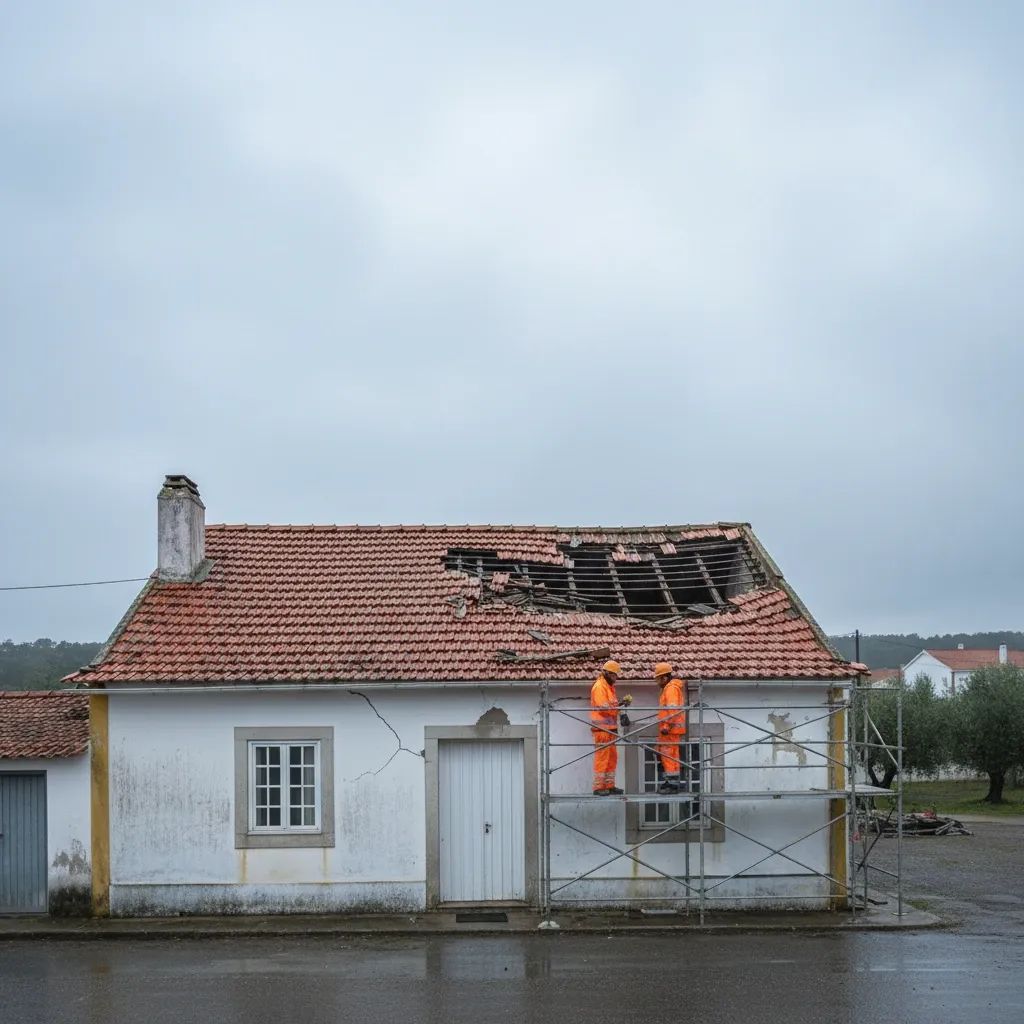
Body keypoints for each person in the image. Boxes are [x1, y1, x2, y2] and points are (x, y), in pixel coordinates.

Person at [590, 660, 629, 795]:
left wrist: (621, 704)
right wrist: (617, 707)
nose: (615, 678)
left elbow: (611, 706)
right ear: (606, 673)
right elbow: (604, 707)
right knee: (602, 758)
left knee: (612, 758)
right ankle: (599, 787)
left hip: (610, 729)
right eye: (614, 676)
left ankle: (609, 785)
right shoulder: (600, 687)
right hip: (602, 730)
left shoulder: (609, 687)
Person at [654, 662, 687, 793]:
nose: (657, 682)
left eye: (658, 679)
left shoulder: (671, 689)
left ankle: (672, 784)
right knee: (671, 756)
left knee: (669, 756)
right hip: (670, 729)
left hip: (669, 729)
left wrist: (667, 725)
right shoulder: (670, 688)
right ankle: (672, 782)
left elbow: (672, 709)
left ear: (664, 677)